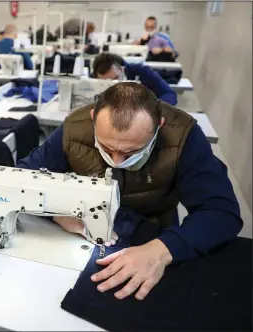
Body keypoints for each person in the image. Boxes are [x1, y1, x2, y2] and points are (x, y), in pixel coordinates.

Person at [17, 82, 242, 300]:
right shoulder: (74, 127)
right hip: (85, 228)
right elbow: (23, 179)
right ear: (94, 118)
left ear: (159, 126)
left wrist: (162, 250)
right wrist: (57, 214)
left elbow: (222, 212)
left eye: (131, 152)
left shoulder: (184, 137)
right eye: (106, 148)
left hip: (153, 230)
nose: (115, 162)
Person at [92, 53, 177, 106]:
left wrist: (154, 108)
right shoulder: (92, 79)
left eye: (115, 78)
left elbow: (169, 94)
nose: (111, 84)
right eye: (105, 81)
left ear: (121, 69)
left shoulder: (143, 72)